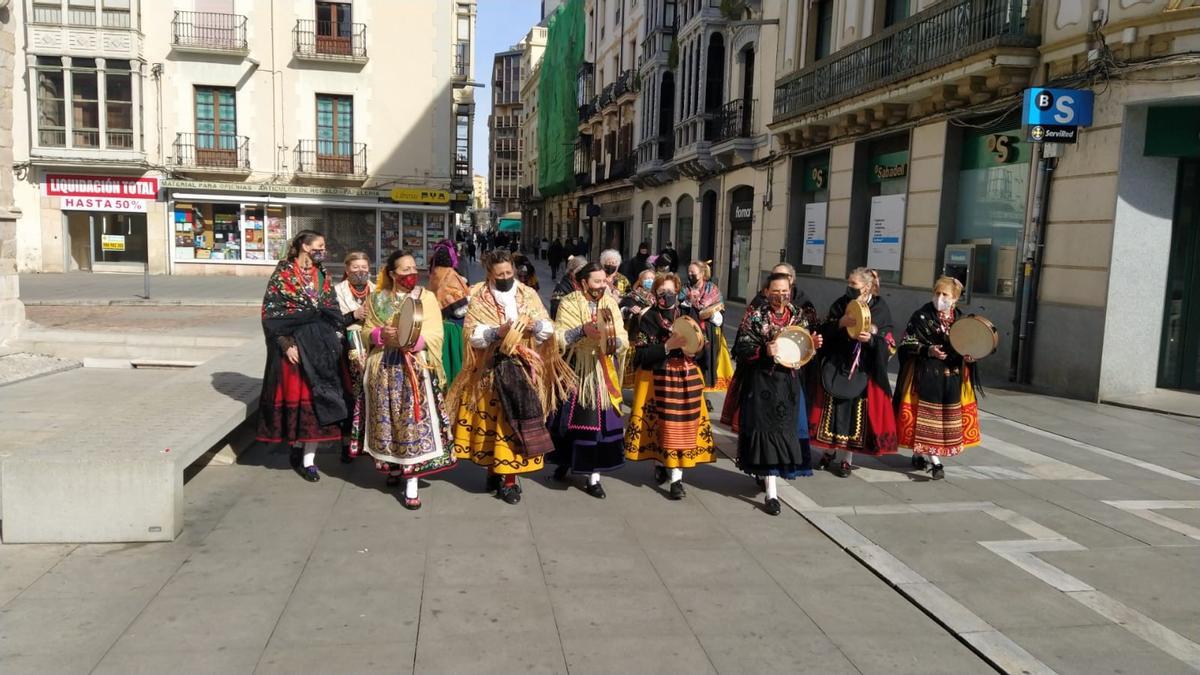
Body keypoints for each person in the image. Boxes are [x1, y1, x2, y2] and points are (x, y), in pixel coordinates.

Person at [446, 250, 576, 504]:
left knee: (512, 425)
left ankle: (509, 481)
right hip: (490, 372)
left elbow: (548, 326)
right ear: (489, 274)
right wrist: (497, 332)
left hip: (523, 371)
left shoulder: (528, 294)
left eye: (508, 273)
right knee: (492, 427)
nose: (505, 277)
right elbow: (472, 333)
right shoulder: (480, 296)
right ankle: (495, 470)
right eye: (500, 274)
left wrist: (535, 327)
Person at [361, 250, 456, 509]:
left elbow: (436, 334)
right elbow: (367, 330)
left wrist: (412, 341)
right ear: (392, 274)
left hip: (416, 369)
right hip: (383, 370)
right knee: (388, 420)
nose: (412, 274)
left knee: (412, 422)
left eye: (414, 268)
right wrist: (380, 335)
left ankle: (412, 479)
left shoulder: (426, 298)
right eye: (405, 270)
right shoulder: (378, 299)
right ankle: (393, 464)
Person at [257, 230, 348, 483]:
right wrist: (286, 344)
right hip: (295, 350)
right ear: (305, 247)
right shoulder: (283, 275)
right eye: (320, 245)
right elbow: (272, 314)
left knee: (319, 404)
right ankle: (297, 448)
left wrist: (335, 335)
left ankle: (309, 460)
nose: (323, 249)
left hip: (320, 349)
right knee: (301, 403)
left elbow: (331, 307)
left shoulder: (322, 273)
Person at [731, 273, 824, 515]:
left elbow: (805, 348)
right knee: (766, 432)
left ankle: (769, 478)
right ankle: (772, 493)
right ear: (766, 291)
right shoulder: (756, 315)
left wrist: (813, 344)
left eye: (785, 290)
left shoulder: (799, 315)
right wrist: (763, 350)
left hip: (789, 384)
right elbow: (741, 347)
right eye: (776, 290)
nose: (780, 295)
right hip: (763, 383)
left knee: (784, 431)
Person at [624, 273, 716, 499]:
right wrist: (667, 346)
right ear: (654, 294)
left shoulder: (688, 314)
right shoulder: (648, 318)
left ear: (678, 291)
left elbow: (702, 349)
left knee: (683, 428)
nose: (666, 296)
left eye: (670, 291)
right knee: (662, 428)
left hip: (687, 378)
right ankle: (662, 465)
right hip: (658, 378)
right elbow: (641, 355)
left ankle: (677, 479)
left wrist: (698, 347)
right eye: (661, 292)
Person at [809, 267, 899, 478]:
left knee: (854, 417)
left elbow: (889, 342)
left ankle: (847, 459)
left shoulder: (880, 308)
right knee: (831, 413)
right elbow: (824, 329)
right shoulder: (841, 304)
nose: (849, 288)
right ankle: (828, 452)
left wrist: (872, 340)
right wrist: (839, 324)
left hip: (862, 369)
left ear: (867, 287)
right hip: (838, 365)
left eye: (854, 285)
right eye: (848, 283)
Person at [548, 263, 628, 498]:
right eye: (597, 282)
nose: (602, 285)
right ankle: (565, 462)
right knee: (570, 423)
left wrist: (614, 342)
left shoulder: (610, 303)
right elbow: (560, 336)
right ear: (583, 282)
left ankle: (594, 477)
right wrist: (583, 331)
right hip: (576, 369)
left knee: (599, 426)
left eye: (604, 281)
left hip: (603, 371)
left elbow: (621, 334)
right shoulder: (569, 302)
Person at [894, 276, 981, 480]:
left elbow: (969, 344)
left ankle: (918, 453)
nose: (939, 298)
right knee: (925, 419)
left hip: (951, 377)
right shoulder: (921, 316)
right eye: (937, 293)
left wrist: (969, 356)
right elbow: (906, 342)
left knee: (941, 421)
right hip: (925, 376)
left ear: (955, 299)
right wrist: (927, 349)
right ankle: (936, 463)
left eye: (945, 295)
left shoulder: (961, 319)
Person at [333, 251, 374, 463]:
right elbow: (330, 320)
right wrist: (354, 315)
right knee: (350, 395)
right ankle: (346, 442)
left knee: (371, 393)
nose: (360, 271)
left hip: (372, 344)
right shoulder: (337, 291)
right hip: (347, 346)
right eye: (355, 268)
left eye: (364, 267)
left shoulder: (376, 290)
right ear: (347, 269)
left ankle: (369, 440)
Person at [681, 260, 733, 394]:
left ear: (702, 273)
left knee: (706, 363)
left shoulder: (713, 289)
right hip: (689, 332)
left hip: (708, 333)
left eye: (693, 272)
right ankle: (691, 391)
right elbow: (678, 307)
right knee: (690, 362)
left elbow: (720, 312)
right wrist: (688, 302)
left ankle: (704, 395)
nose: (690, 274)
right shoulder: (685, 289)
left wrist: (709, 314)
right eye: (689, 272)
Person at [428, 240, 470, 389]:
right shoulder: (452, 275)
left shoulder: (434, 273)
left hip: (439, 326)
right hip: (454, 330)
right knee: (456, 368)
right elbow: (460, 310)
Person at [619, 268, 657, 388]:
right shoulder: (632, 296)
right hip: (635, 336)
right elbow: (622, 310)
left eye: (652, 279)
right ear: (640, 281)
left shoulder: (658, 296)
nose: (649, 281)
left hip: (653, 337)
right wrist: (629, 310)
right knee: (631, 369)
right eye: (646, 279)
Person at [749, 262, 817, 324]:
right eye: (774, 276)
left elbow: (810, 326)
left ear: (792, 278)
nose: (778, 279)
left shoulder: (802, 300)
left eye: (783, 276)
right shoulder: (761, 298)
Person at [551, 255, 588, 319]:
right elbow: (555, 308)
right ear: (571, 272)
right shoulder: (560, 287)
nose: (582, 274)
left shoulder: (584, 283)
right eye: (579, 271)